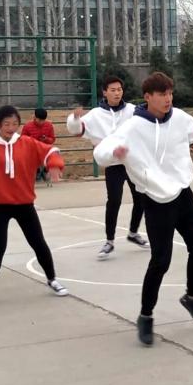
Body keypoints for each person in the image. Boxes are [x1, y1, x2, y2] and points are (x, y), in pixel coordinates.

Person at [94, 72, 193, 346]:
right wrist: (115, 153)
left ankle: (192, 296)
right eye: (162, 94)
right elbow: (101, 151)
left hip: (183, 193)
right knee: (161, 261)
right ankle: (146, 316)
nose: (168, 99)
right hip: (156, 200)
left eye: (170, 93)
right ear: (148, 97)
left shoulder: (179, 118)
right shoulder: (132, 126)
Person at [0, 105, 70, 307]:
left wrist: (54, 164)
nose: (11, 128)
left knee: (38, 243)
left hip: (24, 204)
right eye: (6, 124)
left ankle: (52, 279)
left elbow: (51, 150)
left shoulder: (26, 143)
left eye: (15, 124)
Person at [67, 76, 149, 259]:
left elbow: (147, 121)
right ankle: (109, 241)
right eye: (112, 90)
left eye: (119, 89)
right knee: (114, 200)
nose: (117, 93)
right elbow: (77, 129)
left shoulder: (132, 110)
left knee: (141, 197)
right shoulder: (96, 114)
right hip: (113, 163)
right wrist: (75, 118)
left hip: (132, 161)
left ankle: (133, 232)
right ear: (105, 92)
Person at [21, 108, 56, 180]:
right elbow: (22, 140)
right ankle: (37, 171)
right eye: (39, 120)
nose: (41, 122)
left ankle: (45, 171)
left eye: (43, 120)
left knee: (52, 153)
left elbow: (52, 139)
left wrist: (46, 139)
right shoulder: (27, 126)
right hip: (32, 150)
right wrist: (32, 141)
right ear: (34, 117)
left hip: (44, 149)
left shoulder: (49, 125)